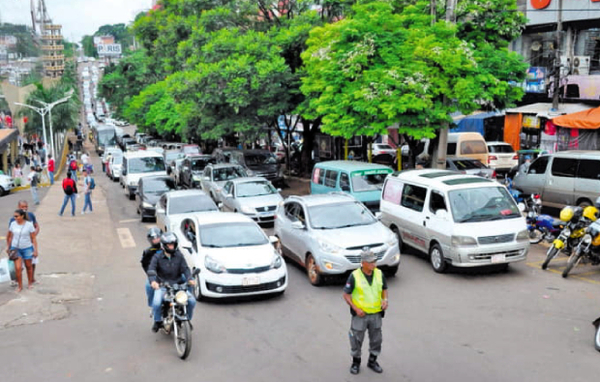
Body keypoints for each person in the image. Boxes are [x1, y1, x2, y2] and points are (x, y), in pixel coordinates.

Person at [343, 247, 389, 375]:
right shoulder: (354, 276)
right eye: (371, 262)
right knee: (356, 340)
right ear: (363, 263)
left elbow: (384, 289)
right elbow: (346, 295)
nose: (374, 264)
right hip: (360, 315)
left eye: (375, 261)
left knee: (376, 340)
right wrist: (355, 308)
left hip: (376, 314)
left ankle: (372, 361)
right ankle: (356, 362)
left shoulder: (379, 274)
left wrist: (385, 300)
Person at [148, 232, 196, 332]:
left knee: (191, 301)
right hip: (163, 286)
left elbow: (186, 269)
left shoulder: (179, 256)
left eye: (173, 244)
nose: (171, 246)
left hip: (177, 286)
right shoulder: (157, 257)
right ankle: (157, 321)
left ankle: (187, 319)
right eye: (169, 245)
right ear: (164, 245)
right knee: (156, 303)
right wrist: (153, 282)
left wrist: (190, 279)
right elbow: (151, 270)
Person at [8, 200, 40, 285]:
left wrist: (34, 234)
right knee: (18, 265)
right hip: (17, 245)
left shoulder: (31, 216)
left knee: (31, 263)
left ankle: (32, 279)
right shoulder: (13, 219)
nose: (25, 208)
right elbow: (10, 234)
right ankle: (17, 280)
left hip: (29, 244)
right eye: (22, 207)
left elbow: (36, 226)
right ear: (19, 207)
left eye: (26, 207)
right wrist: (9, 247)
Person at [141, 228, 163, 308]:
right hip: (155, 274)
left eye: (158, 238)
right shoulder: (148, 252)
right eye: (154, 239)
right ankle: (152, 305)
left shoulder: (167, 248)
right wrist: (150, 274)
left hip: (169, 272)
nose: (156, 240)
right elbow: (145, 264)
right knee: (148, 285)